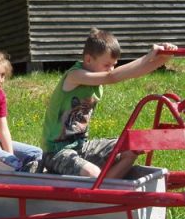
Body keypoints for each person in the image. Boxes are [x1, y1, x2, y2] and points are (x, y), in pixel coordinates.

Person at [41, 27, 177, 179]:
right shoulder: (75, 76)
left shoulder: (96, 75)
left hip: (81, 146)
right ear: (88, 60)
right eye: (107, 65)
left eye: (114, 64)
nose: (111, 68)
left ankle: (106, 187)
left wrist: (162, 59)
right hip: (56, 152)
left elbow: (130, 74)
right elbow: (112, 77)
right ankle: (101, 190)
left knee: (131, 147)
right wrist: (147, 57)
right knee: (93, 174)